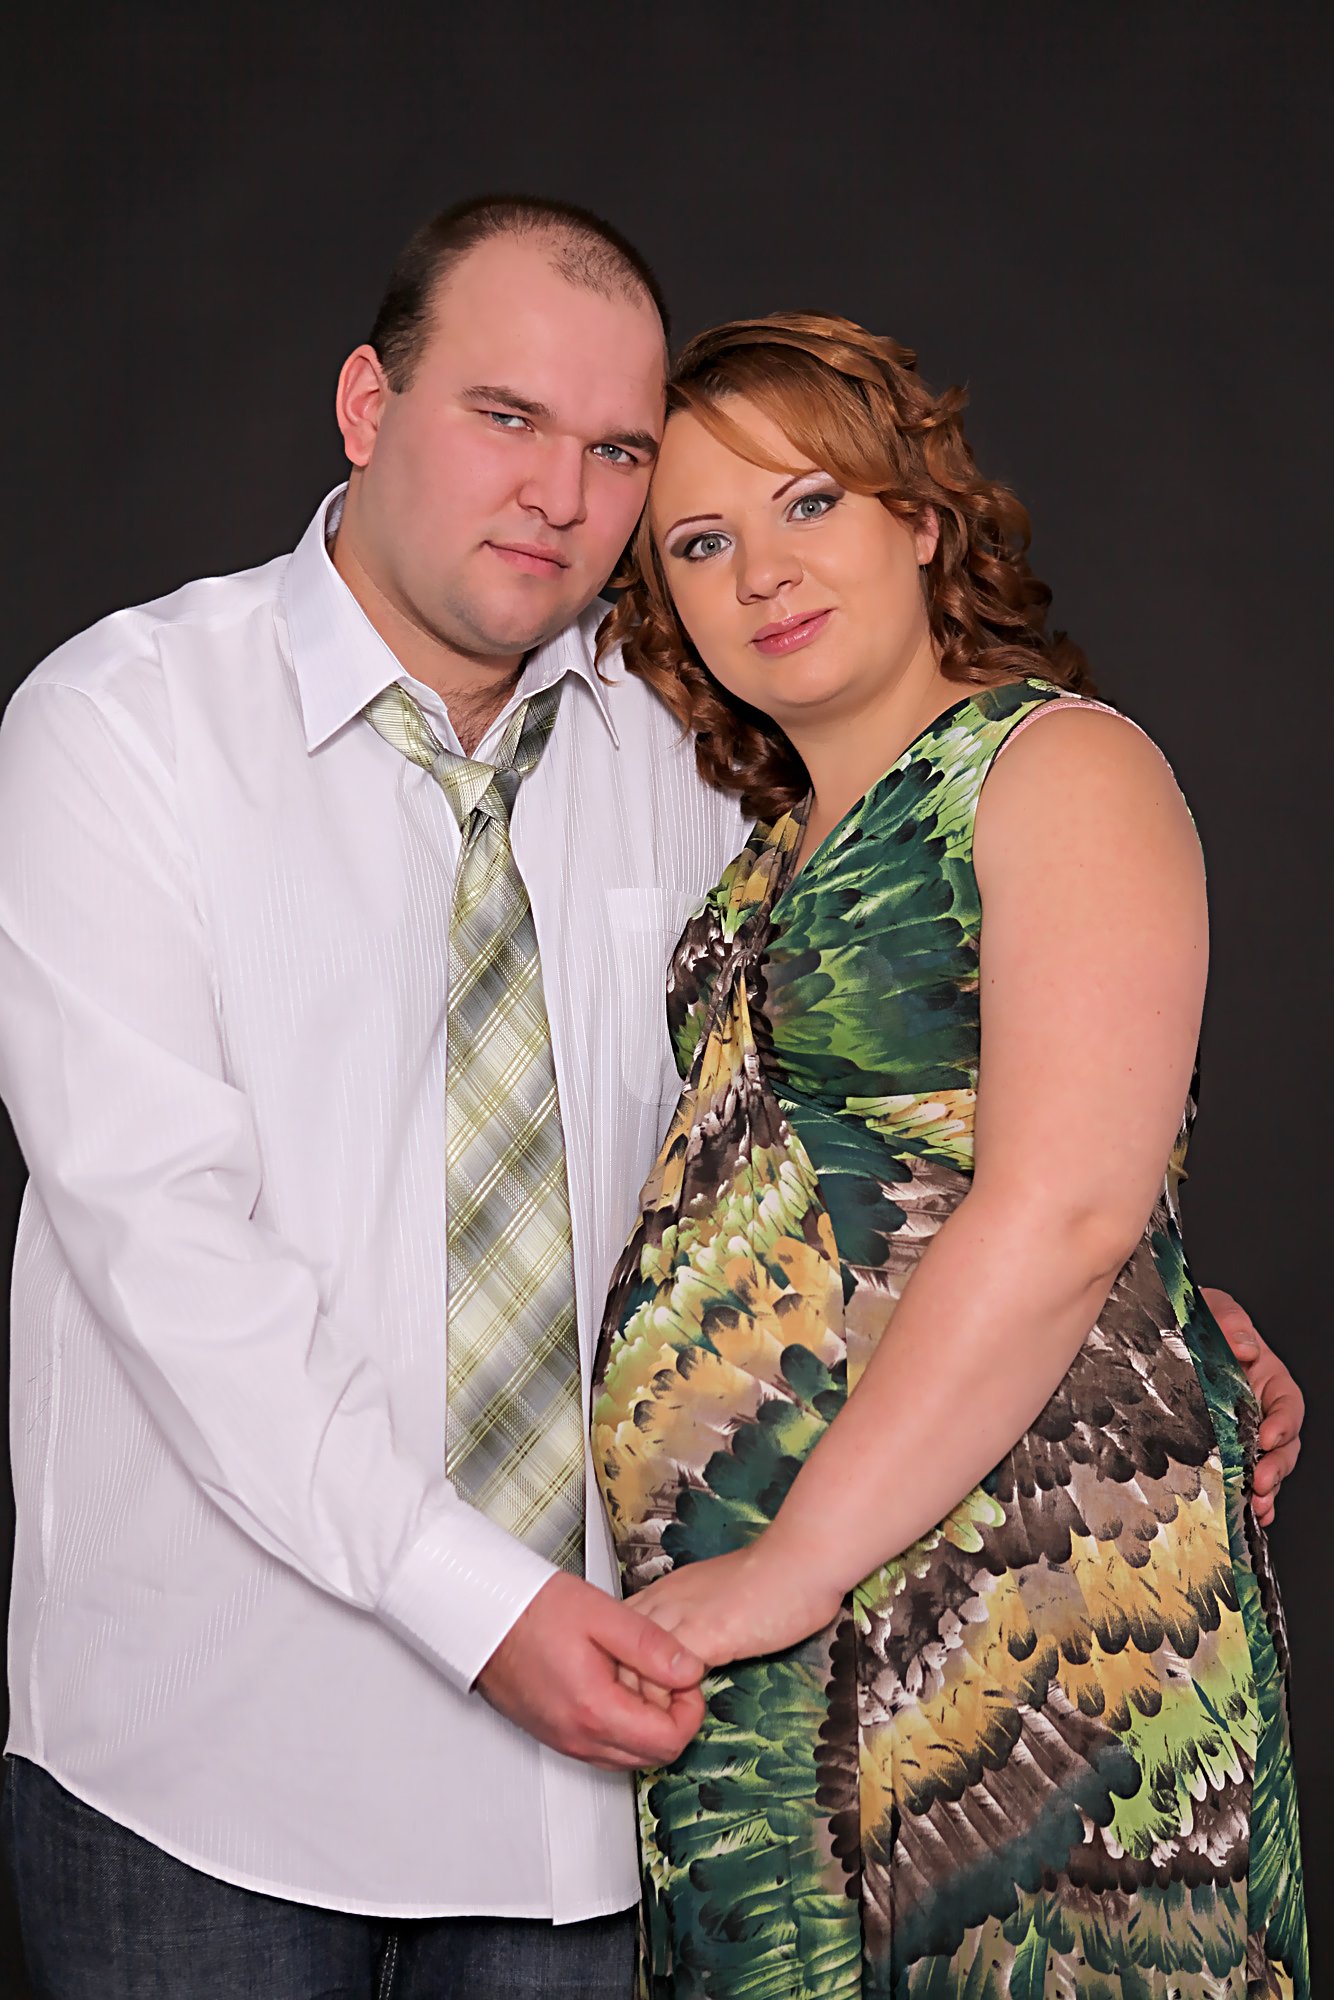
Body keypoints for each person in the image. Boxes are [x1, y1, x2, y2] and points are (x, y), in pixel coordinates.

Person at [0, 202, 1301, 1999]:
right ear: (369, 405)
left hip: (637, 1743)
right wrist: (478, 1602)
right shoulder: (122, 726)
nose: (558, 493)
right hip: (222, 1744)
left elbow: (923, 1122)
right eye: (505, 417)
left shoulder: (691, 750)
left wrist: (1129, 1316)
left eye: (615, 452)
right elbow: (163, 1242)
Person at [591, 313, 1309, 1996]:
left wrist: (787, 1569)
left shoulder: (1056, 766)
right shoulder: (757, 858)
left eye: (810, 503)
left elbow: (1067, 1208)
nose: (763, 570)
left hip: (1027, 1614)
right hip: (766, 1654)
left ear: (918, 516)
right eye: (701, 542)